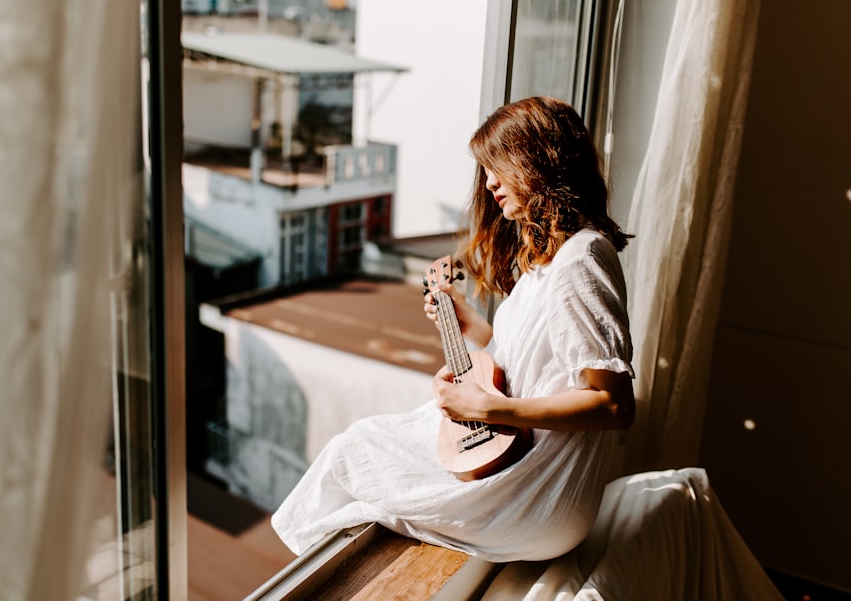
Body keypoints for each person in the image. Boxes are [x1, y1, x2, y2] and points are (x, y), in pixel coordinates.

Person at [271, 96, 636, 562]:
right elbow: (536, 362)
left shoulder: (581, 259)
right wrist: (471, 326)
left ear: (536, 160)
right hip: (523, 466)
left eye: (496, 166)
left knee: (354, 449)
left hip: (540, 498)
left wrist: (489, 408)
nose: (489, 183)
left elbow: (613, 405)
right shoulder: (554, 259)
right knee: (362, 448)